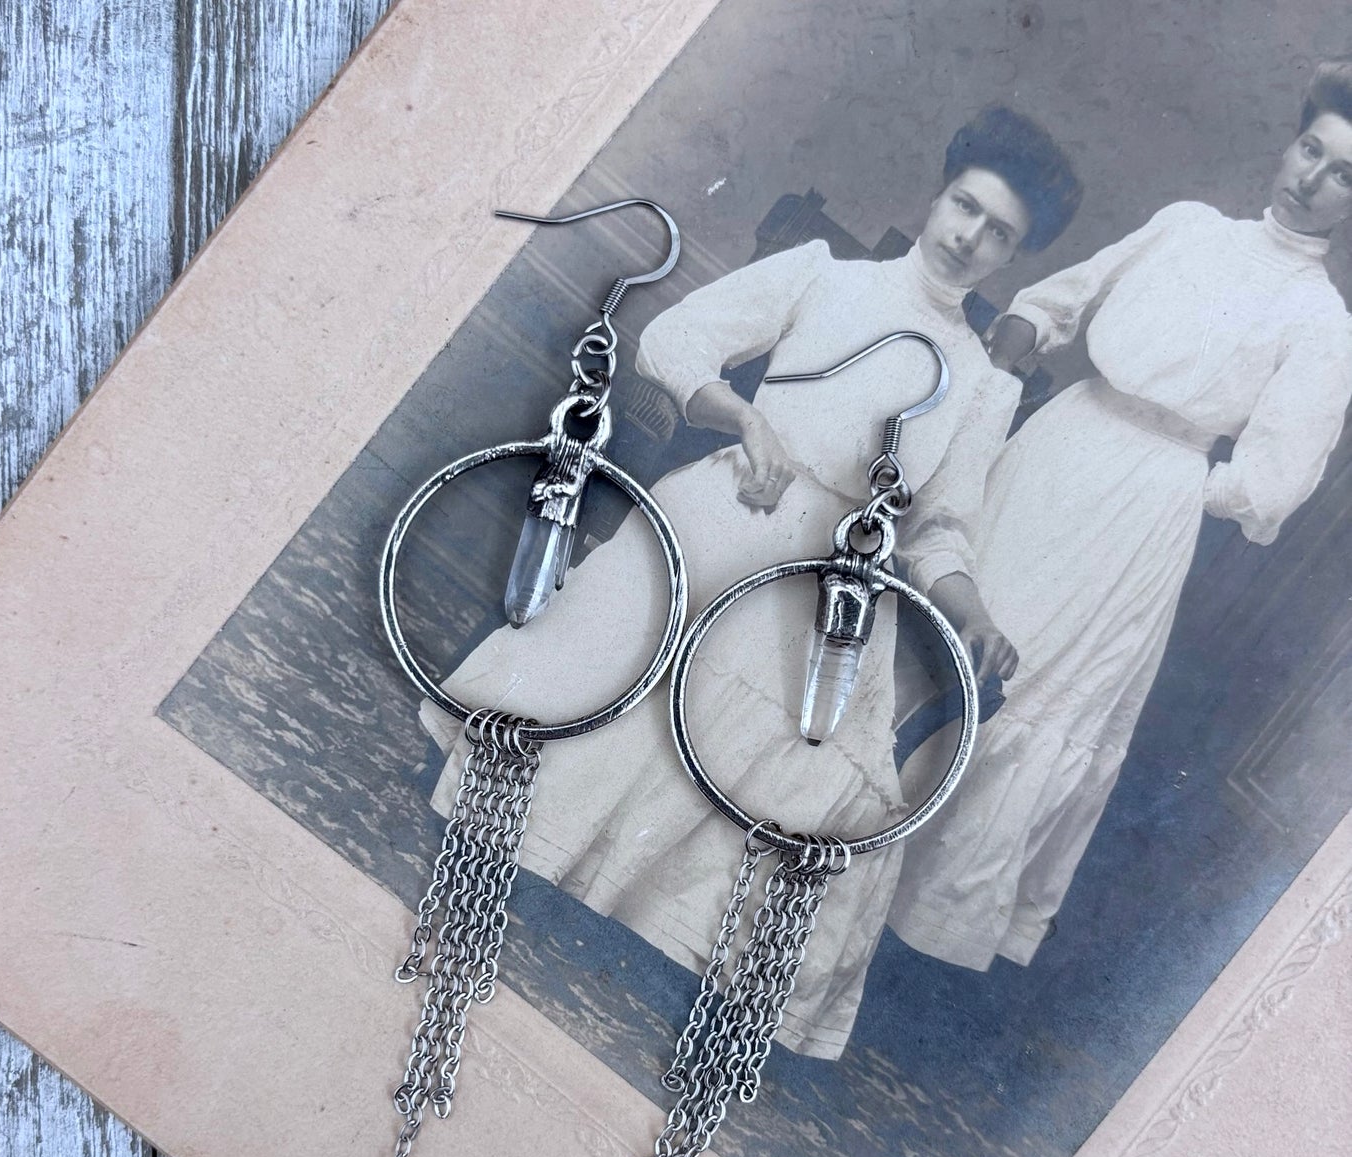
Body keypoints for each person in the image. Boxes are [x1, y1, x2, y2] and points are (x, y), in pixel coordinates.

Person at [422, 108, 1081, 1058]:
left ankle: (638, 920)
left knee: (796, 745)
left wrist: (971, 604)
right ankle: (530, 842)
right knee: (654, 638)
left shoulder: (980, 384)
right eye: (964, 205)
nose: (968, 238)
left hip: (834, 574)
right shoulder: (828, 275)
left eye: (999, 233)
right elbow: (675, 339)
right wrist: (740, 417)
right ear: (937, 192)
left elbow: (941, 525)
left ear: (1015, 256)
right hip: (736, 506)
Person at [888, 62, 1352, 972]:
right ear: (1290, 140)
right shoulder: (1187, 226)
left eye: (1343, 173)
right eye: (1311, 149)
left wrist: (1172, 481)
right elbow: (1066, 296)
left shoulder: (1321, 320)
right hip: (1058, 442)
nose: (1309, 178)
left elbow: (1270, 484)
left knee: (1027, 687)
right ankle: (827, 847)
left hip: (1142, 510)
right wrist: (1025, 327)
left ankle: (917, 930)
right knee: (946, 617)